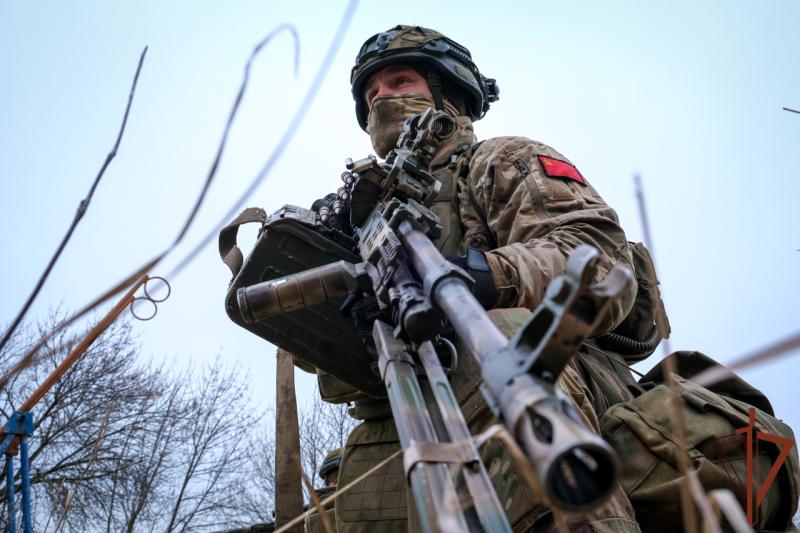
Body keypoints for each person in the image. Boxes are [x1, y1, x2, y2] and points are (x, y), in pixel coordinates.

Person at [310, 24, 667, 533]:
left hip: (536, 377)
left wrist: (479, 275)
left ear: (448, 91)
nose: (382, 101)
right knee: (348, 484)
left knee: (496, 341)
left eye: (399, 82)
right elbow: (329, 373)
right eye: (371, 96)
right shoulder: (362, 220)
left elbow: (596, 258)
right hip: (405, 416)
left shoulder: (499, 159)